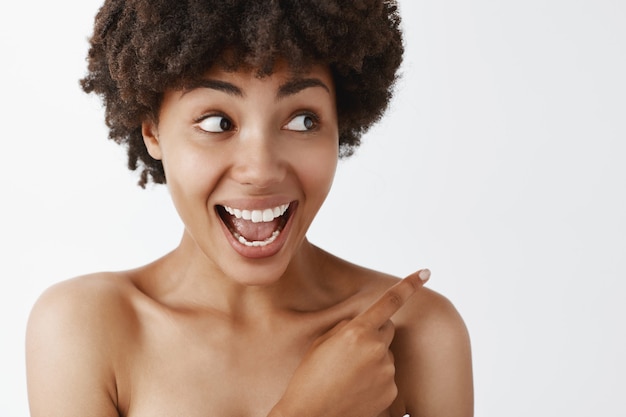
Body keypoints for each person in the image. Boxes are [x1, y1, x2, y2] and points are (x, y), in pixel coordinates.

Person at [25, 1, 473, 416]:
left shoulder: (417, 334)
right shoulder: (84, 329)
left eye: (303, 120)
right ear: (153, 132)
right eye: (218, 123)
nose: (260, 170)